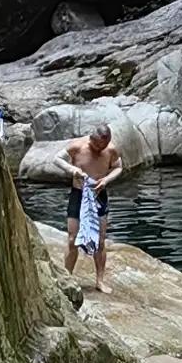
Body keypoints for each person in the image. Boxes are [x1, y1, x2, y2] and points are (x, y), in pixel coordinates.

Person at [66, 125, 120, 296]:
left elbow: (119, 167)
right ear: (92, 139)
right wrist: (73, 170)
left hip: (98, 194)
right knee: (72, 238)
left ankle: (100, 280)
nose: (99, 149)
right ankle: (66, 278)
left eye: (103, 146)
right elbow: (56, 159)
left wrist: (106, 180)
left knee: (100, 240)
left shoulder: (111, 150)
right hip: (78, 194)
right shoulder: (77, 146)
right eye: (97, 146)